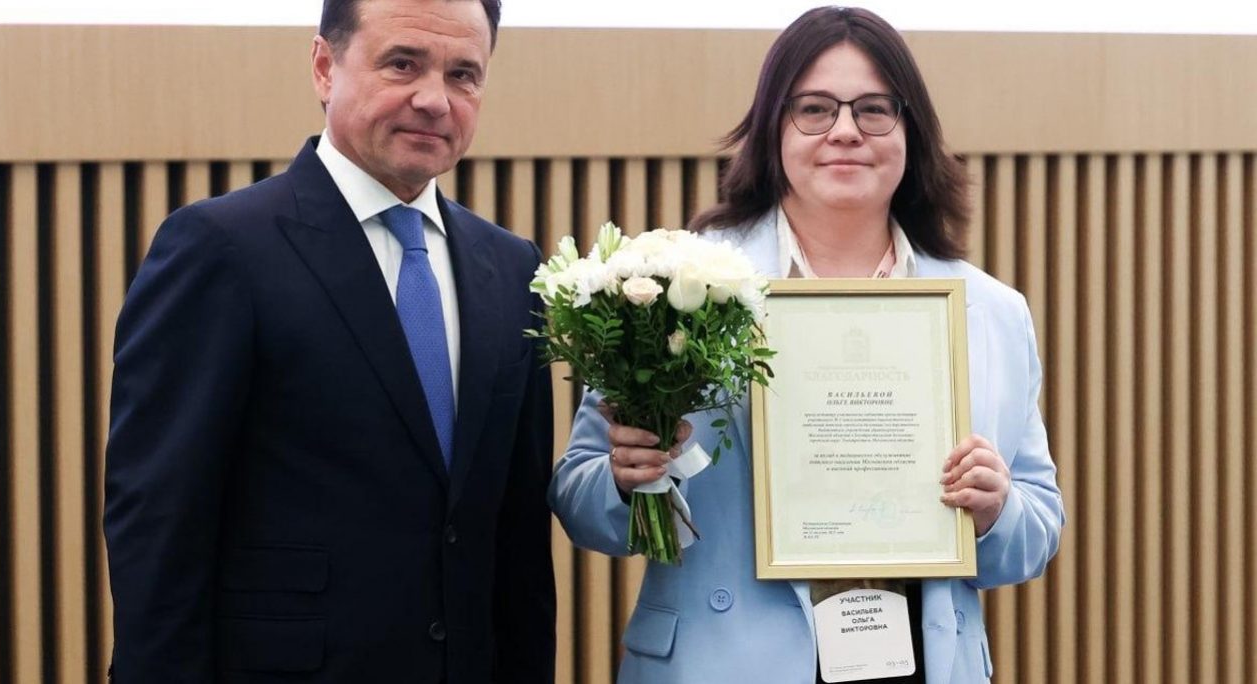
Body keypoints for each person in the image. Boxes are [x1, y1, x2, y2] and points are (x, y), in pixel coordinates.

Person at [549, 6, 1064, 683]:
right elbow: (580, 499)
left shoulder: (991, 312)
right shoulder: (677, 285)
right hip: (720, 665)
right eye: (815, 109)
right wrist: (628, 479)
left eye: (874, 109)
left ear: (911, 132)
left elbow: (1038, 529)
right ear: (774, 129)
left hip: (922, 662)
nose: (845, 131)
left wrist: (996, 510)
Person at [103, 0, 555, 681]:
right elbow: (158, 521)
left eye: (463, 74)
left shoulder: (512, 267)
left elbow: (516, 539)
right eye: (403, 64)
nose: (434, 99)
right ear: (324, 67)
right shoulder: (222, 248)